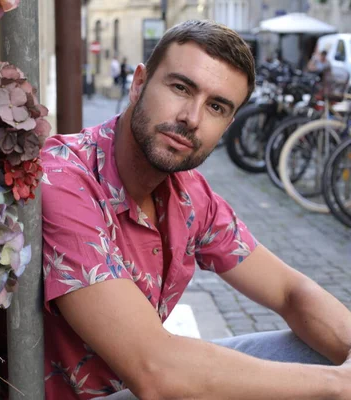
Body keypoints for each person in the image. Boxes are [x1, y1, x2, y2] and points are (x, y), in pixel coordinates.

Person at [41, 20, 351, 400]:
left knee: (316, 354)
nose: (192, 117)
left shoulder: (189, 195)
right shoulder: (63, 178)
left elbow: (290, 292)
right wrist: (338, 386)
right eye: (180, 88)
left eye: (216, 106)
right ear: (139, 83)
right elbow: (156, 369)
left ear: (228, 125)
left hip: (138, 382)